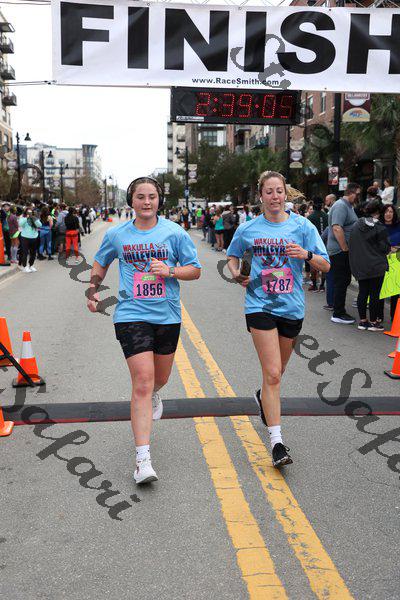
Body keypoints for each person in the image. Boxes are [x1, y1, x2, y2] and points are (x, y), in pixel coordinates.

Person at [87, 177, 201, 485]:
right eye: (140, 196)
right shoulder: (117, 234)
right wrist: (93, 290)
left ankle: (154, 394)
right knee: (142, 381)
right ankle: (142, 460)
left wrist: (170, 270)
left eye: (152, 196)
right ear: (132, 201)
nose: (146, 201)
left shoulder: (174, 233)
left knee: (159, 379)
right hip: (131, 314)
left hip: (167, 315)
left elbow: (195, 270)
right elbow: (100, 262)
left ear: (159, 200)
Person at [227, 171, 330, 467]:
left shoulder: (303, 226)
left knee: (278, 371)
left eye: (279, 191)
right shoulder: (249, 228)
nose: (275, 197)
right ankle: (277, 444)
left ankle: (263, 396)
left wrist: (306, 254)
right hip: (259, 305)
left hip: (291, 307)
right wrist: (237, 274)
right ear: (260, 196)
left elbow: (326, 264)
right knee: (272, 372)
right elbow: (233, 256)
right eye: (269, 191)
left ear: (286, 194)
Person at [349, 199, 391, 331]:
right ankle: (373, 322)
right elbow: (385, 248)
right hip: (376, 265)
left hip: (360, 265)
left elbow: (352, 244)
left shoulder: (356, 225)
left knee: (362, 292)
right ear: (378, 212)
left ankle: (363, 321)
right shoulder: (380, 227)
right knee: (374, 294)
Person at [327, 182, 361, 324]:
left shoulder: (348, 206)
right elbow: (337, 228)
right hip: (339, 251)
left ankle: (339, 310)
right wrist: (345, 248)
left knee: (343, 280)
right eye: (357, 194)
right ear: (351, 193)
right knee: (341, 281)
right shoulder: (341, 206)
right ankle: (338, 313)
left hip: (342, 250)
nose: (358, 197)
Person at [378, 204, 400, 322]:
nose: (388, 214)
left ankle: (394, 317)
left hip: (396, 262)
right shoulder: (378, 226)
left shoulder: (398, 226)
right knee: (381, 288)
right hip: (381, 261)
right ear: (383, 213)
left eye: (391, 211)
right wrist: (388, 248)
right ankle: (379, 317)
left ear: (394, 213)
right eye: (386, 211)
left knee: (395, 291)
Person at [307, 197, 328, 292]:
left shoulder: (310, 217)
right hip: (325, 242)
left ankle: (314, 284)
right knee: (324, 262)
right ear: (322, 205)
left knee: (313, 264)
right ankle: (322, 285)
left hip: (314, 243)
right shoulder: (326, 216)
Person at [18, 207, 42, 273]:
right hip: (25, 237)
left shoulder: (35, 217)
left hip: (34, 237)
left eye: (31, 212)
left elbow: (39, 225)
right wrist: (27, 218)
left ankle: (31, 265)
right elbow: (20, 224)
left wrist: (33, 218)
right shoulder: (23, 217)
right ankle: (25, 266)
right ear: (25, 212)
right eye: (28, 212)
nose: (29, 213)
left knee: (33, 253)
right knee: (25, 253)